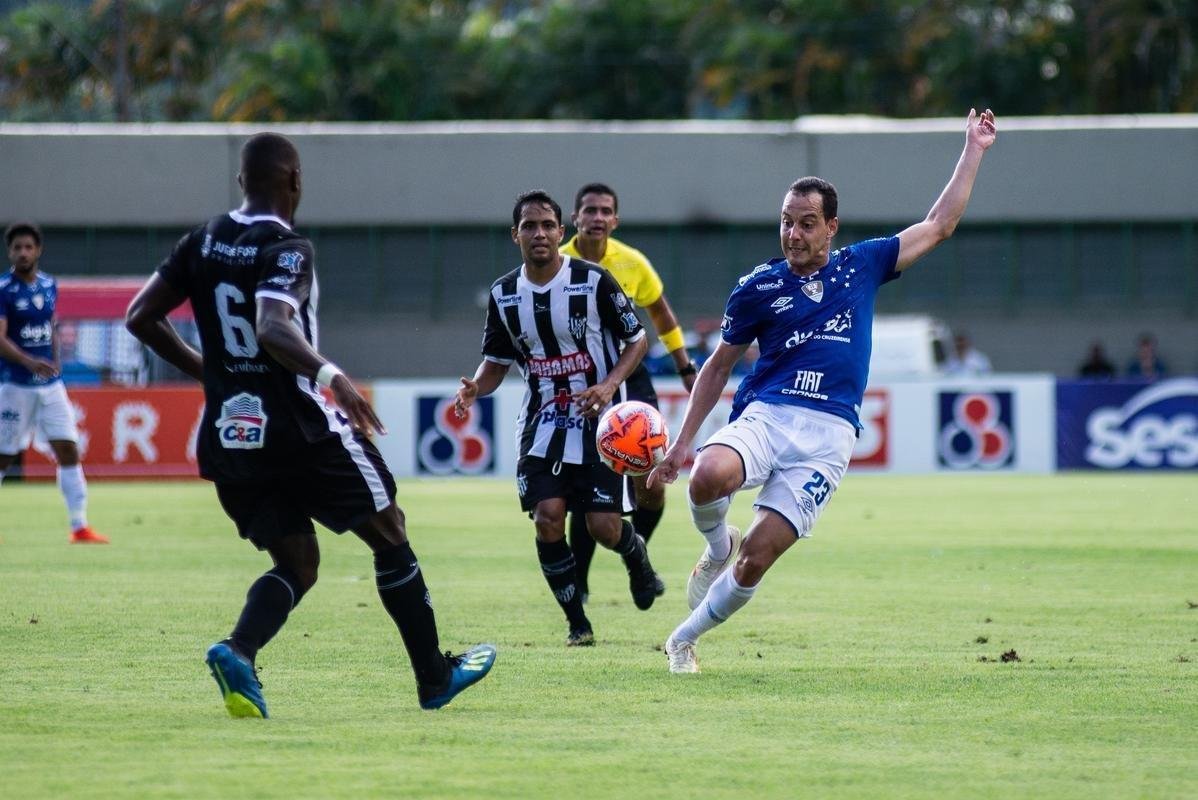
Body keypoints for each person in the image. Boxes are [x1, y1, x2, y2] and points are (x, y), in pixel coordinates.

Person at [125, 132, 495, 718]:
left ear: (242, 182)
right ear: (296, 180)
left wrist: (214, 374)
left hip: (231, 435)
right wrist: (332, 377)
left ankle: (239, 651)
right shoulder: (287, 247)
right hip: (300, 429)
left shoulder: (201, 240)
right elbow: (273, 327)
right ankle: (434, 677)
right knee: (390, 532)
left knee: (297, 563)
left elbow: (140, 316)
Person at [649, 109, 998, 673]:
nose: (793, 232)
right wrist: (682, 442)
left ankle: (682, 640)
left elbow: (938, 226)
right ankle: (715, 547)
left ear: (831, 227)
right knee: (708, 476)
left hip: (829, 436)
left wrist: (974, 149)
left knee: (758, 558)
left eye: (807, 222)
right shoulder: (757, 287)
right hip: (769, 414)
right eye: (786, 221)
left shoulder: (862, 266)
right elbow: (717, 366)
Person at [454, 190, 659, 647]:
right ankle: (577, 623)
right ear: (516, 236)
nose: (539, 233)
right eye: (529, 226)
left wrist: (608, 387)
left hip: (599, 425)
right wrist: (475, 388)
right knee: (549, 518)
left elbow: (637, 340)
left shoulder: (594, 281)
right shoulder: (504, 294)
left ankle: (636, 556)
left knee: (602, 528)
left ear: (560, 232)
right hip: (541, 426)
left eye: (547, 225)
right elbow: (495, 363)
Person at [560, 182, 696, 603]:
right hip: (582, 384)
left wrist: (685, 367)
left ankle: (638, 560)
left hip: (631, 379)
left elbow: (662, 316)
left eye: (605, 211)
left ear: (615, 220)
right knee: (586, 489)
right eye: (590, 210)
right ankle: (578, 581)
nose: (597, 217)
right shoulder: (558, 263)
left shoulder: (633, 264)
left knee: (651, 481)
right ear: (576, 218)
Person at [0, 222, 108, 544]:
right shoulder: (4, 289)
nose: (22, 253)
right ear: (10, 252)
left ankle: (79, 526)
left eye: (28, 247)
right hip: (15, 386)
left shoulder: (49, 285)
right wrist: (28, 361)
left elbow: (52, 324)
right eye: (17, 247)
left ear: (38, 250)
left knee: (68, 449)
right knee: (4, 456)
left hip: (50, 386)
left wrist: (56, 360)